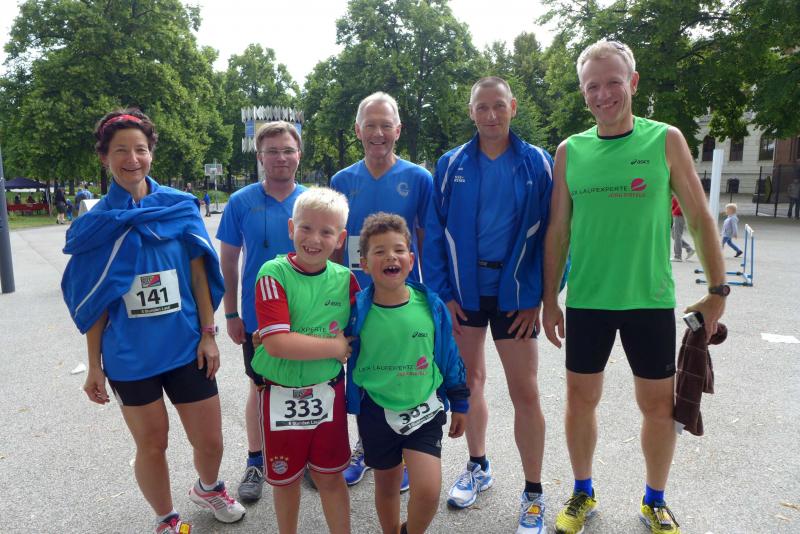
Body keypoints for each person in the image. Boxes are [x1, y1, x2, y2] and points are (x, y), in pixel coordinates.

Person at [541, 40, 728, 534]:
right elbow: (558, 230)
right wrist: (549, 299)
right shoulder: (570, 151)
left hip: (649, 300)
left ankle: (654, 500)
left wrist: (718, 290)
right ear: (583, 92)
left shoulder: (665, 140)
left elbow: (699, 216)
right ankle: (582, 491)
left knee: (658, 407)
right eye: (592, 86)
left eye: (613, 82)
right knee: (581, 400)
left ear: (634, 82)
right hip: (588, 301)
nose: (603, 94)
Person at [61, 109, 245, 534]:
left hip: (186, 346)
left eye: (140, 149)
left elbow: (199, 277)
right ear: (104, 157)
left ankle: (208, 488)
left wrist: (209, 334)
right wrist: (94, 366)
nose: (132, 159)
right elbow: (96, 302)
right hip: (130, 356)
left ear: (151, 154)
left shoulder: (178, 207)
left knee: (210, 440)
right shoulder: (96, 226)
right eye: (121, 150)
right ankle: (166, 518)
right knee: (151, 443)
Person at [424, 76, 553, 533]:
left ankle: (534, 493)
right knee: (470, 381)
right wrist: (443, 294)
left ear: (513, 107)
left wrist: (541, 296)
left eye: (499, 105)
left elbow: (557, 234)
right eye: (482, 107)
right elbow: (433, 233)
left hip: (517, 293)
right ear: (471, 111)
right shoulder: (451, 163)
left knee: (525, 391)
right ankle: (478, 466)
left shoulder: (538, 162)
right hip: (466, 292)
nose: (491, 115)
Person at [331, 91, 433, 489]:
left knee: (402, 369)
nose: (378, 133)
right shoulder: (342, 180)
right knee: (361, 369)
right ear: (358, 130)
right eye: (370, 125)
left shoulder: (418, 178)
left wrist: (428, 295)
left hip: (402, 298)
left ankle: (404, 447)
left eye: (385, 125)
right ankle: (366, 445)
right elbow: (336, 244)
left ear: (398, 130)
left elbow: (426, 240)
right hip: (358, 297)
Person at [346, 212, 469, 534]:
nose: (391, 257)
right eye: (380, 251)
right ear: (364, 263)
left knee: (427, 491)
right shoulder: (356, 310)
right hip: (376, 411)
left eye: (398, 250)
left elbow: (449, 355)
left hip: (424, 409)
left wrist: (460, 401)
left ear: (411, 260)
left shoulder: (431, 306)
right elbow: (327, 337)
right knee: (387, 486)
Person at [251, 187, 357, 534]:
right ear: (290, 228)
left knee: (330, 477)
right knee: (286, 480)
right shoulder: (273, 272)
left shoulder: (346, 280)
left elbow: (366, 331)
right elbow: (278, 344)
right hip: (279, 392)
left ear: (340, 239)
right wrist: (334, 347)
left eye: (326, 231)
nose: (314, 239)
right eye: (306, 228)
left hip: (327, 391)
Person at [216, 120, 308, 502]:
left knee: (307, 385)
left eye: (288, 150)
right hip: (258, 318)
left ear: (299, 154)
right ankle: (256, 460)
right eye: (272, 151)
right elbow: (228, 261)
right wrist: (231, 314)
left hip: (308, 315)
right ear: (260, 156)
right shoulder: (241, 201)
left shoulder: (312, 201)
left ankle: (305, 457)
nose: (281, 157)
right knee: (260, 387)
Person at [671, 196, 695, 261]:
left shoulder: (683, 193)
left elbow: (683, 204)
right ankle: (689, 249)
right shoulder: (677, 193)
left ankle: (678, 256)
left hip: (679, 215)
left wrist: (675, 212)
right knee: (674, 234)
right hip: (677, 215)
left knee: (677, 236)